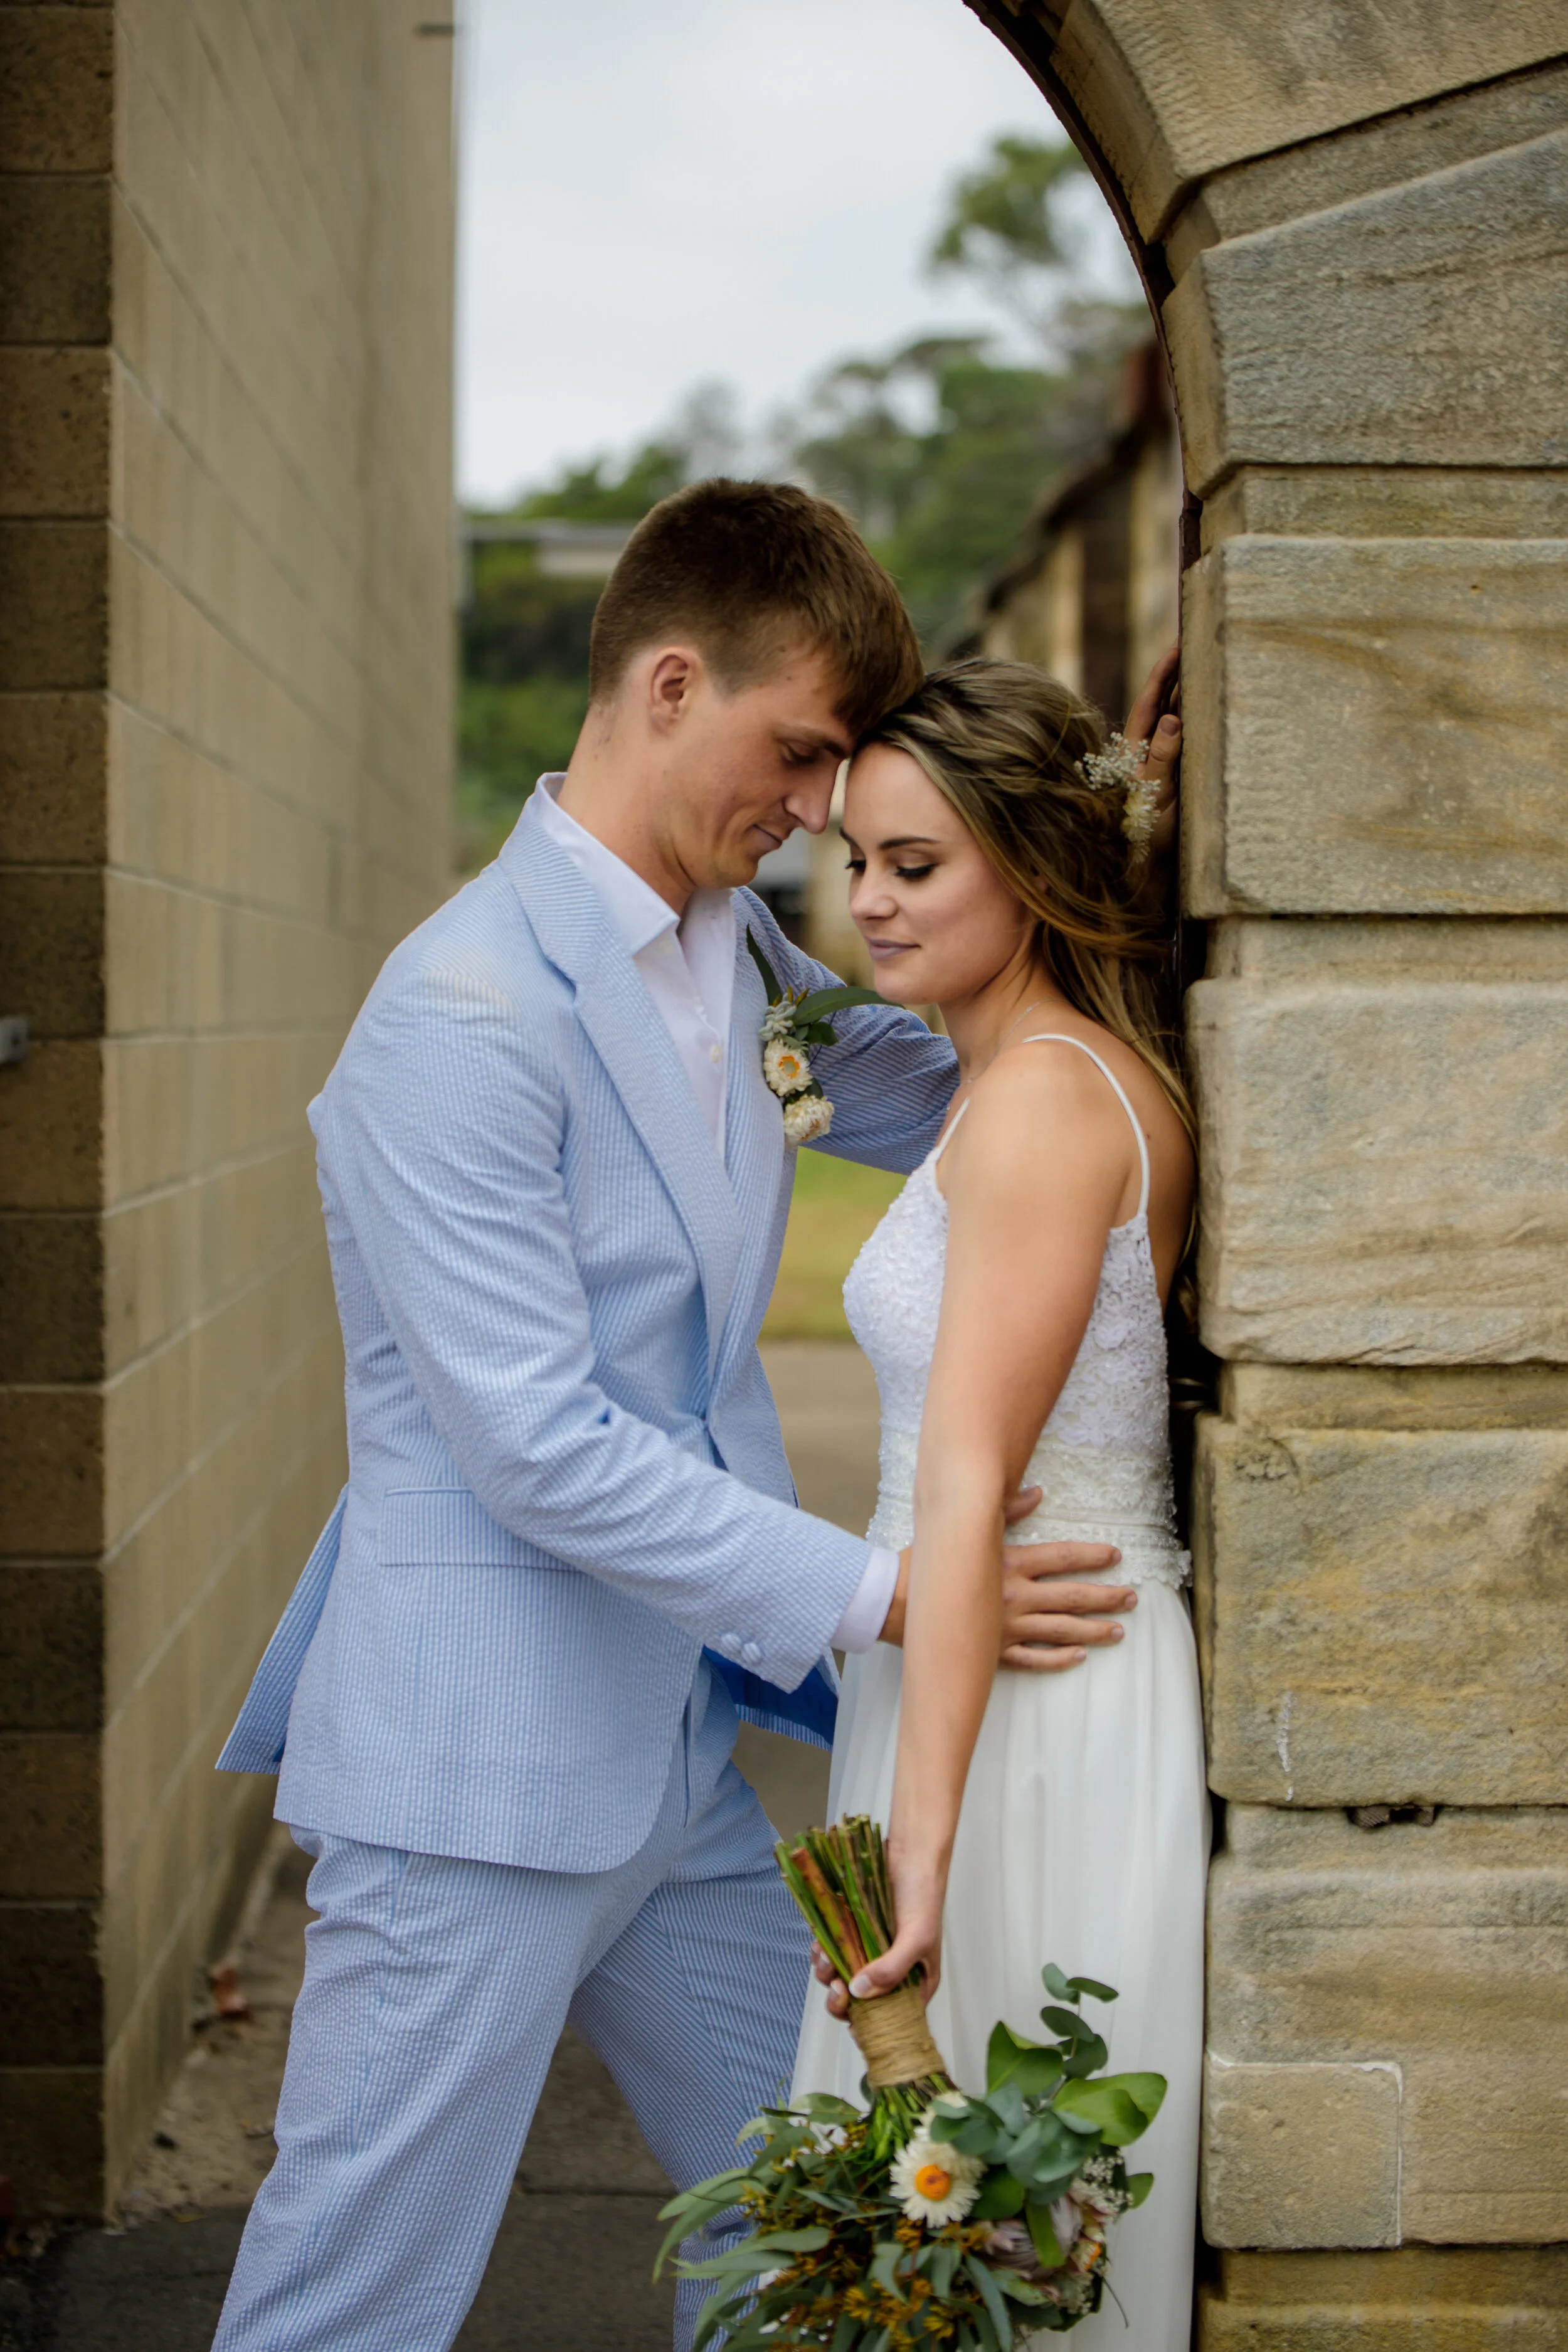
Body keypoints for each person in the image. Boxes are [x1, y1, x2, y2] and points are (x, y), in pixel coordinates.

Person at [208, 482, 1170, 2352]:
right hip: (472, 1783)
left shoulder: (738, 957)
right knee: (349, 2297)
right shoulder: (456, 1017)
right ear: (667, 683)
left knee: (836, 2232)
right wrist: (893, 1588)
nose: (819, 812)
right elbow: (535, 1444)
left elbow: (967, 1060)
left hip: (674, 1765)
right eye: (799, 751)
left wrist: (1098, 844)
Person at [792, 656, 1207, 2349]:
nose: (868, 900)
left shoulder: (1039, 1103)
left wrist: (922, 1854)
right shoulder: (1030, 1068)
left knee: (994, 2226)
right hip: (987, 1668)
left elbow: (966, 1490)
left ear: (1027, 867)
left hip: (1020, 1711)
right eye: (856, 856)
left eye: (915, 863)